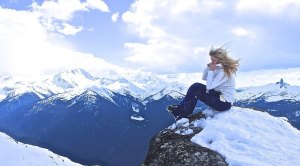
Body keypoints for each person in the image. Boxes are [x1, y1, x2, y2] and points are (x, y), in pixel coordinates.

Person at [167, 47, 240, 120]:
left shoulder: (224, 72)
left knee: (196, 87)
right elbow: (204, 77)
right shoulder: (217, 67)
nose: (212, 61)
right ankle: (181, 111)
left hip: (224, 104)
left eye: (213, 59)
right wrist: (208, 67)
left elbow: (209, 86)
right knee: (196, 87)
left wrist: (211, 70)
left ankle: (181, 113)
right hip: (218, 96)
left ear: (220, 59)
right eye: (211, 59)